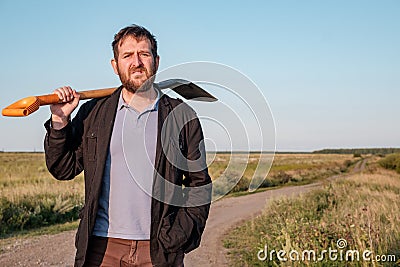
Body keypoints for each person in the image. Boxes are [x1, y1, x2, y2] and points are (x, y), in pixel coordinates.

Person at [44, 24, 212, 267]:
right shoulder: (94, 113)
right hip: (102, 248)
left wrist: (178, 238)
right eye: (127, 55)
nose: (137, 62)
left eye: (144, 54)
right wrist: (60, 122)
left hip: (157, 250)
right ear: (115, 65)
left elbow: (199, 184)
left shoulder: (181, 116)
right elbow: (63, 169)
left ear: (156, 61)